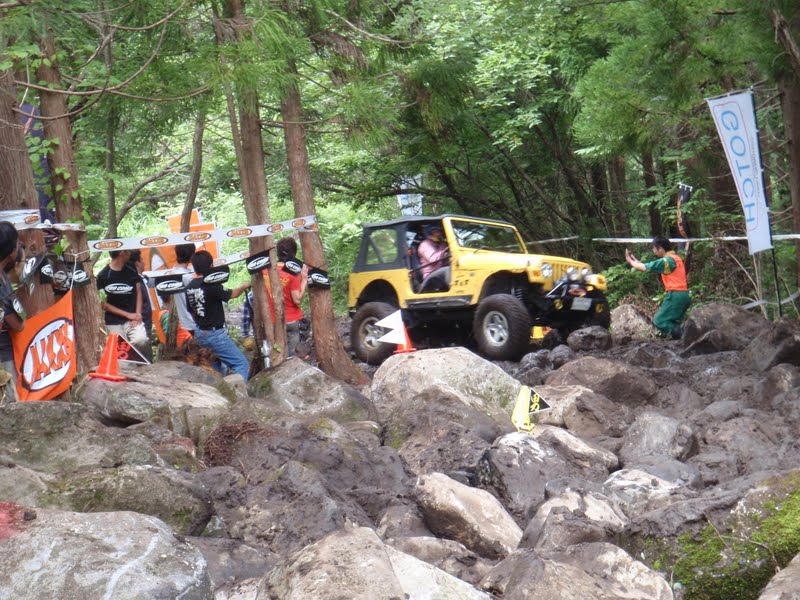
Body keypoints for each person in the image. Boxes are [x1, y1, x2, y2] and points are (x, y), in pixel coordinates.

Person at [185, 250, 251, 380]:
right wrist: (245, 286)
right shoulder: (212, 284)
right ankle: (240, 390)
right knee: (241, 364)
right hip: (215, 334)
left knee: (214, 369)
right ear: (211, 265)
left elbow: (191, 311)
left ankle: (218, 391)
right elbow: (232, 294)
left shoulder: (189, 287)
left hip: (199, 333)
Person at [241, 236, 309, 357]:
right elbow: (297, 299)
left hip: (271, 322)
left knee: (275, 354)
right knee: (291, 357)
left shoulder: (265, 270)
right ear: (294, 253)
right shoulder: (294, 273)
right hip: (291, 320)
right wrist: (304, 280)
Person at [625, 235, 691, 339]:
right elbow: (648, 266)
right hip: (684, 294)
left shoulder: (667, 261)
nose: (653, 250)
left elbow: (645, 267)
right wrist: (636, 261)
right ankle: (684, 337)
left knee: (659, 321)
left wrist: (630, 261)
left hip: (675, 295)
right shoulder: (675, 258)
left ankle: (685, 336)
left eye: (654, 248)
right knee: (672, 321)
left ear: (660, 248)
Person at [96, 249, 150, 358]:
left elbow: (138, 292)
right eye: (128, 252)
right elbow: (103, 303)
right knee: (120, 352)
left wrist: (137, 315)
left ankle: (142, 363)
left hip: (132, 319)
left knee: (141, 340)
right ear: (121, 253)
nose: (130, 254)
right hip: (113, 321)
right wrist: (127, 315)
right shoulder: (103, 275)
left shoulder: (131, 271)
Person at [0, 222, 24, 403]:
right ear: (10, 250)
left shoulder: (4, 276)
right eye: (17, 244)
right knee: (10, 402)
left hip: (5, 347)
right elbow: (17, 324)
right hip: (3, 352)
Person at [128, 250, 153, 361]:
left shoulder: (143, 279)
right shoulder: (133, 282)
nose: (144, 262)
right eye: (142, 260)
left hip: (146, 321)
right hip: (141, 323)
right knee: (144, 357)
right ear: (137, 263)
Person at [172, 243, 197, 335]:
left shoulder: (173, 271)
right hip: (194, 321)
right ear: (191, 256)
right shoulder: (188, 277)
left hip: (184, 321)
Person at [417, 223, 450, 292]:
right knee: (448, 269)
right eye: (437, 232)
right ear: (430, 233)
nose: (440, 234)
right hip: (430, 276)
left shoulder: (442, 244)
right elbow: (433, 260)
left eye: (440, 231)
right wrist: (445, 251)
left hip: (441, 273)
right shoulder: (425, 244)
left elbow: (444, 261)